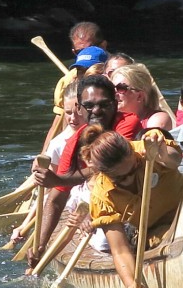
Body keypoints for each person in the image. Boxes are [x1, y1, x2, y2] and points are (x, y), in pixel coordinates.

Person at [28, 75, 143, 272]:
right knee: (101, 244)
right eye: (89, 106)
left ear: (115, 103)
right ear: (79, 108)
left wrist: (59, 178)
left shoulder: (127, 122)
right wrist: (40, 244)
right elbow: (56, 198)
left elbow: (109, 165)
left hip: (135, 199)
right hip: (103, 205)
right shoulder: (73, 144)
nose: (96, 111)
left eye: (104, 105)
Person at [81, 126, 183, 288]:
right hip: (155, 234)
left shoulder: (149, 149)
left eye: (133, 170)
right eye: (121, 178)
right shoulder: (101, 196)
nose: (129, 179)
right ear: (104, 174)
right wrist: (131, 285)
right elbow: (120, 249)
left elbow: (175, 159)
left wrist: (162, 151)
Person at [9, 82, 88, 245]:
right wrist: (24, 226)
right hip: (72, 202)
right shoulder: (58, 144)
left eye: (78, 112)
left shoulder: (101, 131)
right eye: (68, 113)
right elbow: (49, 192)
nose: (73, 118)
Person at [43, 22, 108, 152]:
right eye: (80, 51)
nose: (86, 53)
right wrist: (44, 154)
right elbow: (60, 123)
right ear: (74, 52)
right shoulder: (67, 81)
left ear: (103, 45)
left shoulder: (118, 73)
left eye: (91, 48)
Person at [111, 63, 173, 130]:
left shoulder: (157, 119)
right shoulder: (107, 119)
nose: (114, 93)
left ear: (140, 96)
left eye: (121, 88)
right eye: (111, 88)